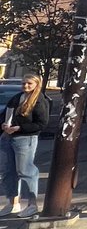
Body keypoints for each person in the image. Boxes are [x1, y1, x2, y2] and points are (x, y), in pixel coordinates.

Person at [0, 74, 50, 218]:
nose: (25, 86)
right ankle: (13, 203)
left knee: (25, 171)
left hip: (25, 138)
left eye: (29, 83)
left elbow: (41, 124)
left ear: (36, 84)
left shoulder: (40, 100)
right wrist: (4, 125)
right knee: (8, 172)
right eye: (23, 83)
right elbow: (4, 116)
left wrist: (19, 128)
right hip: (7, 138)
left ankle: (32, 205)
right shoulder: (16, 98)